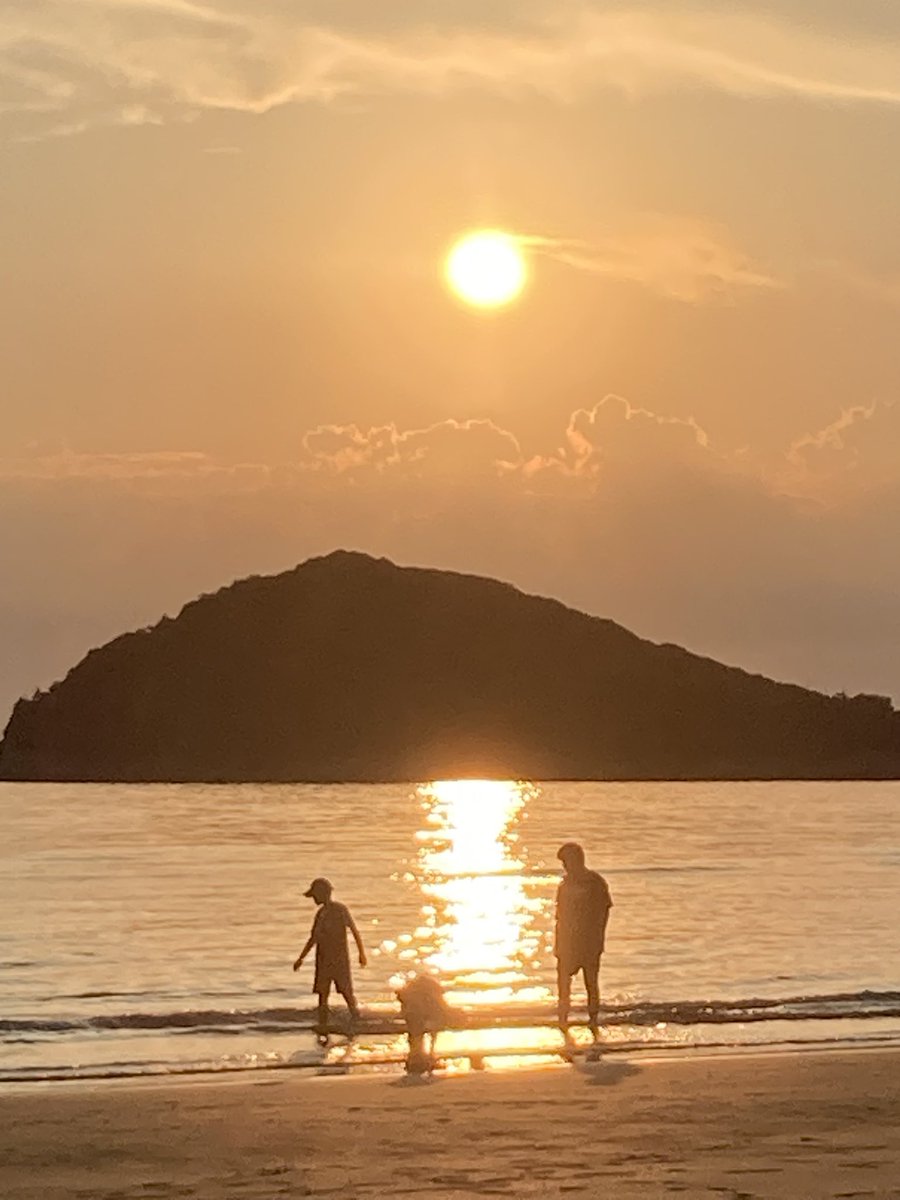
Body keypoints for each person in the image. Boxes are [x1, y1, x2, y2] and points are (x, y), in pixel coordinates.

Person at [293, 877, 367, 1041]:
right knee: (323, 994)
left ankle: (356, 1020)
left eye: (315, 896)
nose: (314, 899)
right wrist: (301, 958)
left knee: (346, 992)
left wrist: (361, 953)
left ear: (323, 894)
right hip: (323, 959)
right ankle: (323, 1026)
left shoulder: (340, 910)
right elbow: (313, 938)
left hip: (339, 959)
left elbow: (354, 931)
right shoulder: (321, 914)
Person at [554, 842, 612, 1041]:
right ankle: (563, 1019)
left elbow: (604, 911)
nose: (565, 866)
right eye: (563, 863)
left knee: (591, 983)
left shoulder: (594, 882)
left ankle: (593, 1019)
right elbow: (559, 916)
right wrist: (558, 943)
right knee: (563, 982)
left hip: (589, 942)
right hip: (567, 942)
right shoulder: (564, 884)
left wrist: (598, 938)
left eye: (566, 861)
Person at [396, 973, 451, 1076]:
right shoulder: (428, 995)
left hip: (418, 1019)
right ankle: (421, 1058)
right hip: (425, 1017)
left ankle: (417, 1059)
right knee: (419, 1032)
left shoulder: (411, 995)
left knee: (416, 1033)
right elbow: (442, 1008)